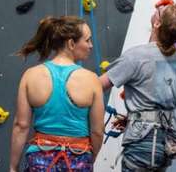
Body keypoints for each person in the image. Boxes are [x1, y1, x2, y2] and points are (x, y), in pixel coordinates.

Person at [99, 0, 176, 171]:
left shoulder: (136, 57)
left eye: (161, 10)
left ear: (157, 23)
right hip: (165, 141)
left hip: (141, 141)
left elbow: (97, 86)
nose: (159, 7)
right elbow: (157, 95)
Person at [9, 16, 105, 171]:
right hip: (78, 158)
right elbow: (97, 131)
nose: (91, 45)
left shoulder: (31, 76)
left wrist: (13, 167)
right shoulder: (92, 80)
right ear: (71, 43)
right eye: (87, 40)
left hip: (40, 159)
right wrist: (89, 159)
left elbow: (21, 126)